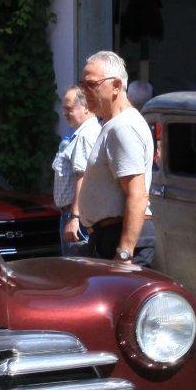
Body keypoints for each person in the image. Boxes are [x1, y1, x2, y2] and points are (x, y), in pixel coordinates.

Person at [75, 50, 155, 266]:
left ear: (116, 86)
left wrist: (124, 253)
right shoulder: (115, 125)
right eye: (82, 85)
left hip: (119, 238)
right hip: (110, 236)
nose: (84, 92)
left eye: (91, 85)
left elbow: (137, 195)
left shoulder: (123, 127)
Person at [51, 85, 99, 255]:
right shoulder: (80, 133)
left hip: (77, 217)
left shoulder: (85, 135)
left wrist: (74, 217)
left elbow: (83, 177)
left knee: (76, 267)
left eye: (68, 108)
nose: (64, 113)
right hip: (73, 214)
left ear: (85, 107)